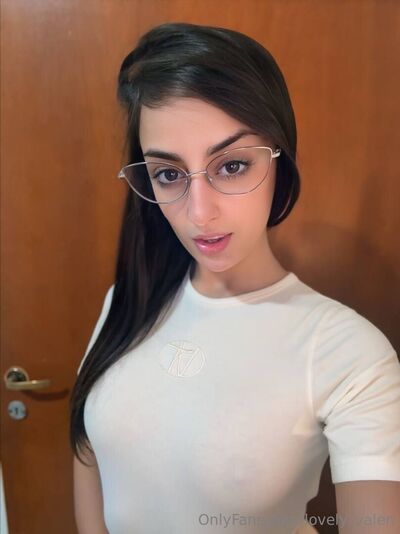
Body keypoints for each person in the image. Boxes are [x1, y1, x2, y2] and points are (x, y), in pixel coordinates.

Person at [70, 22, 400, 534]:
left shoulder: (348, 353)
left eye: (231, 166)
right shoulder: (128, 301)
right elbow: (91, 454)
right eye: (169, 174)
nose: (200, 213)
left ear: (278, 158)